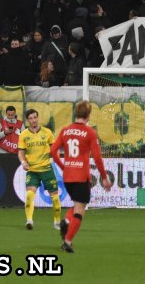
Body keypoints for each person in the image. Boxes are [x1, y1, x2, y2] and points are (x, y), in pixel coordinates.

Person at [51, 101, 112, 253]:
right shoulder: (90, 132)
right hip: (81, 177)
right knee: (80, 209)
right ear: (88, 115)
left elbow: (53, 151)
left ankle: (66, 220)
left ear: (76, 113)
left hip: (67, 177)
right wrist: (104, 177)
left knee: (77, 204)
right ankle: (68, 241)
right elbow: (97, 157)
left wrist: (64, 167)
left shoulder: (65, 130)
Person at [18, 108, 61, 230]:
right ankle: (29, 221)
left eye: (35, 117)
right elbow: (21, 152)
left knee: (56, 199)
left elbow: (54, 149)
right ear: (28, 120)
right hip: (32, 171)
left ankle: (57, 222)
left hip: (47, 170)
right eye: (31, 118)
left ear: (38, 118)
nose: (33, 120)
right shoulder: (23, 135)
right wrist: (23, 162)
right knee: (29, 196)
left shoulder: (47, 132)